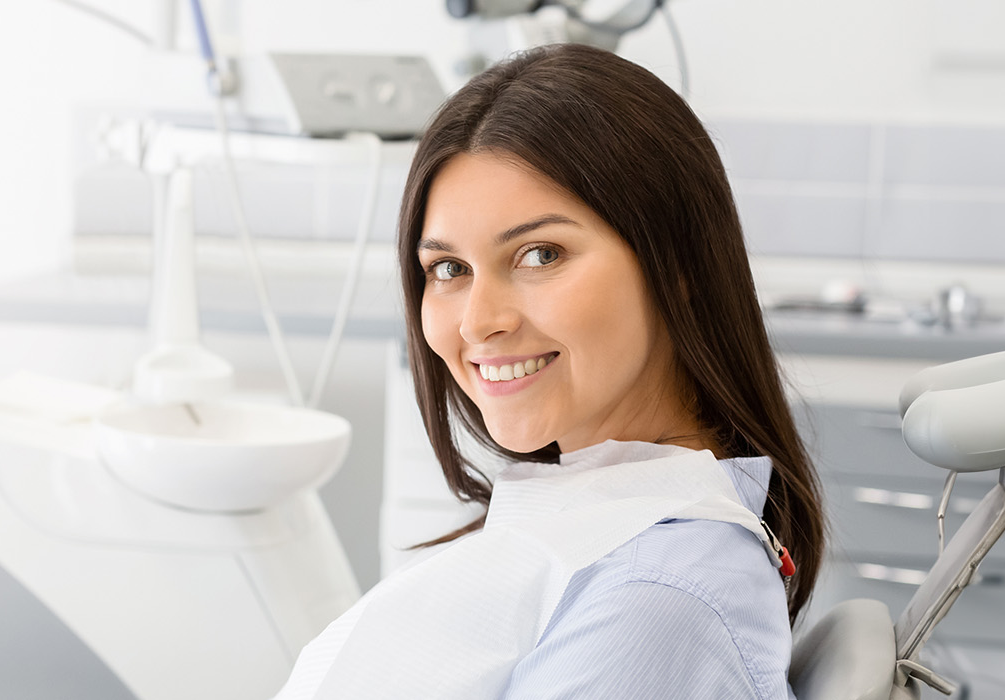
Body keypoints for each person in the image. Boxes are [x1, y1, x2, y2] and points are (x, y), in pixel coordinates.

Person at [273, 44, 825, 699]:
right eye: (448, 269)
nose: (480, 321)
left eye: (540, 254)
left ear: (676, 266)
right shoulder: (617, 520)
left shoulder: (653, 602)